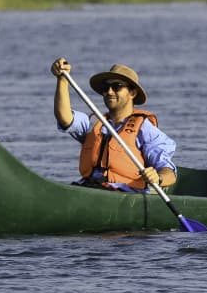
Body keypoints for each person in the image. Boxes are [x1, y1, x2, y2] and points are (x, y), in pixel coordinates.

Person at [49, 58, 178, 192]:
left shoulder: (144, 128)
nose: (109, 92)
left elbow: (169, 172)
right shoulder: (94, 122)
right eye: (106, 88)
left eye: (117, 86)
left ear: (132, 93)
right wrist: (62, 80)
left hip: (124, 194)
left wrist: (158, 178)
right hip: (89, 187)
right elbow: (65, 118)